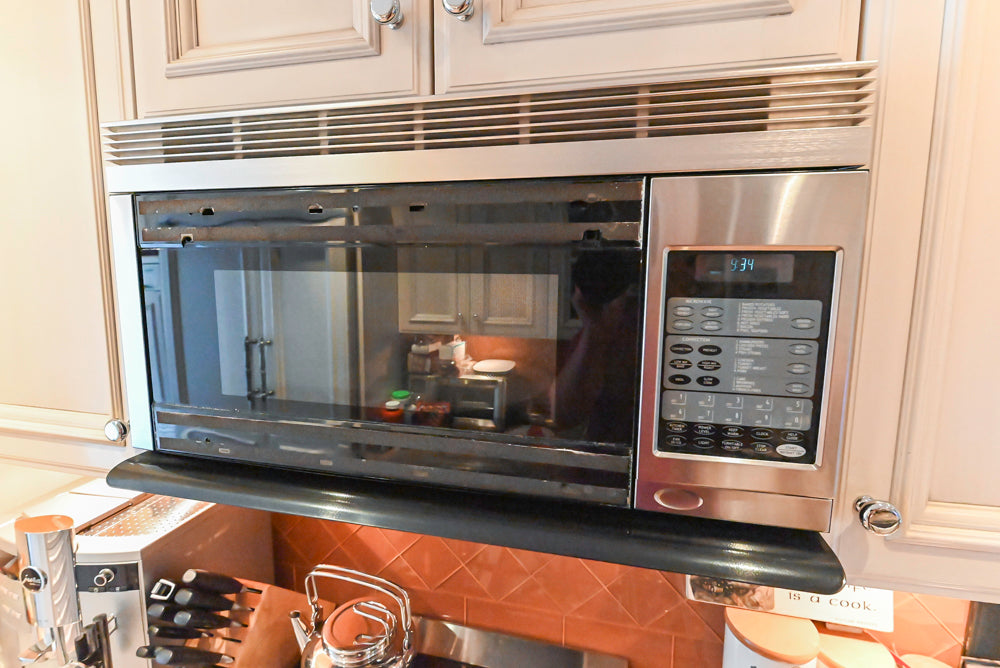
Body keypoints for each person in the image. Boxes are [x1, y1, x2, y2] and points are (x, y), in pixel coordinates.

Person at [549, 249, 640, 444]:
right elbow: (561, 416)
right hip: (602, 465)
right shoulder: (595, 335)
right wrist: (594, 331)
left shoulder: (648, 338)